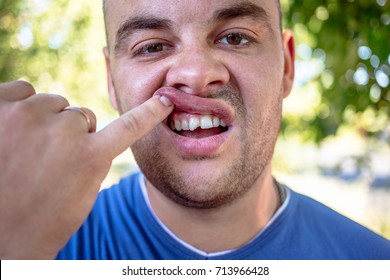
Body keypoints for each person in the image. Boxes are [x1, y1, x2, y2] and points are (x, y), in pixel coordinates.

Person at [1, 0, 389, 260]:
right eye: (152, 46)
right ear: (112, 82)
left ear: (287, 66)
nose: (196, 74)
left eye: (235, 37)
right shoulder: (34, 247)